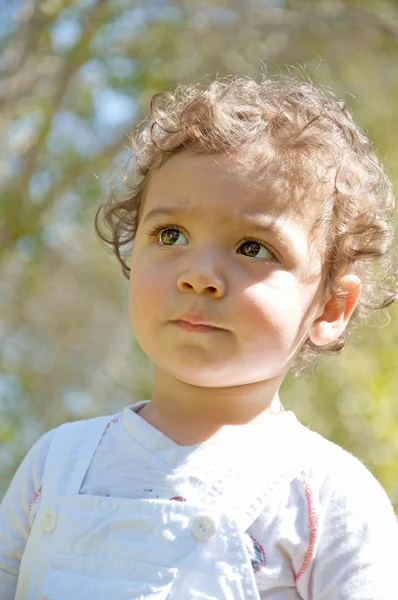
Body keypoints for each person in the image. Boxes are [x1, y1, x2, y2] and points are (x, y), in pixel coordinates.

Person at [1, 74, 397, 600]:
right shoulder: (56, 463)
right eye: (171, 235)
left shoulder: (326, 496)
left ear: (330, 307)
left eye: (253, 248)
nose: (198, 275)